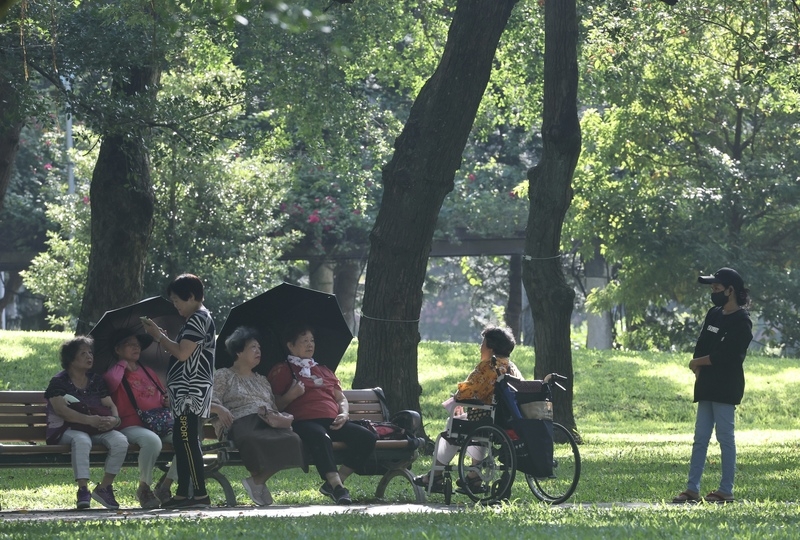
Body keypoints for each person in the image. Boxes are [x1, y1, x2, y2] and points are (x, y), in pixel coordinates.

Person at [268, 323, 378, 505]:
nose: (310, 344)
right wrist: (290, 396)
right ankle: (339, 489)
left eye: (312, 340)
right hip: (303, 422)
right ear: (290, 345)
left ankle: (335, 482)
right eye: (304, 341)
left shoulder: (324, 370)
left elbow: (341, 398)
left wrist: (344, 413)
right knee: (320, 436)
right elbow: (274, 405)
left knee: (366, 437)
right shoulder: (283, 370)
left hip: (332, 420)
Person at [412, 325, 528, 494]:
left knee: (453, 425)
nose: (480, 347)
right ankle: (474, 476)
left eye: (483, 343)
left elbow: (463, 392)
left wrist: (458, 399)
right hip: (505, 420)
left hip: (485, 419)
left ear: (491, 348)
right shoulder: (511, 368)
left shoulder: (487, 368)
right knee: (476, 426)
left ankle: (435, 475)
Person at [672, 267, 753, 504]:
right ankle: (691, 489)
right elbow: (703, 342)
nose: (713, 292)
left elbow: (727, 355)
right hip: (706, 384)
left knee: (725, 437)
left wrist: (697, 362)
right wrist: (697, 366)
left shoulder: (742, 321)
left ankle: (726, 489)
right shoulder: (714, 314)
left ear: (731, 290)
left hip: (726, 387)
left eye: (717, 288)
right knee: (700, 437)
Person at [210, 326, 305, 506]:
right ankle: (258, 483)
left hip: (267, 421)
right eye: (253, 347)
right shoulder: (224, 375)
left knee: (293, 440)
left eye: (259, 348)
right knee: (250, 437)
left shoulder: (262, 379)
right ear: (238, 352)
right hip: (240, 422)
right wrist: (220, 410)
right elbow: (208, 402)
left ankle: (257, 481)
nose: (258, 351)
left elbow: (273, 406)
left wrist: (291, 394)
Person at [143, 273, 215, 509]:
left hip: (190, 394)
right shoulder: (197, 319)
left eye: (177, 300)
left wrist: (158, 337)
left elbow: (182, 353)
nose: (175, 306)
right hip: (184, 394)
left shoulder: (198, 318)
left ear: (191, 296)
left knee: (187, 440)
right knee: (181, 440)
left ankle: (200, 494)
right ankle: (183, 493)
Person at [44, 336, 128, 510]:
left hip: (95, 427)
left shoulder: (96, 380)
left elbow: (110, 404)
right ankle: (83, 490)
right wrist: (89, 420)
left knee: (120, 440)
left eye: (90, 352)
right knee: (82, 440)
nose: (89, 356)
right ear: (70, 359)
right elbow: (61, 411)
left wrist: (114, 420)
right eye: (83, 353)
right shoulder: (58, 382)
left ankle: (104, 488)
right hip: (66, 429)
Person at [103, 330, 179, 508]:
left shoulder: (148, 371)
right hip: (131, 425)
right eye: (130, 343)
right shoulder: (115, 372)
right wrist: (122, 364)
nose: (136, 347)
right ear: (118, 349)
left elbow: (161, 395)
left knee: (187, 440)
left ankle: (165, 486)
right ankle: (144, 487)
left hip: (158, 423)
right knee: (152, 442)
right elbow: (110, 383)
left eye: (137, 344)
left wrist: (166, 400)